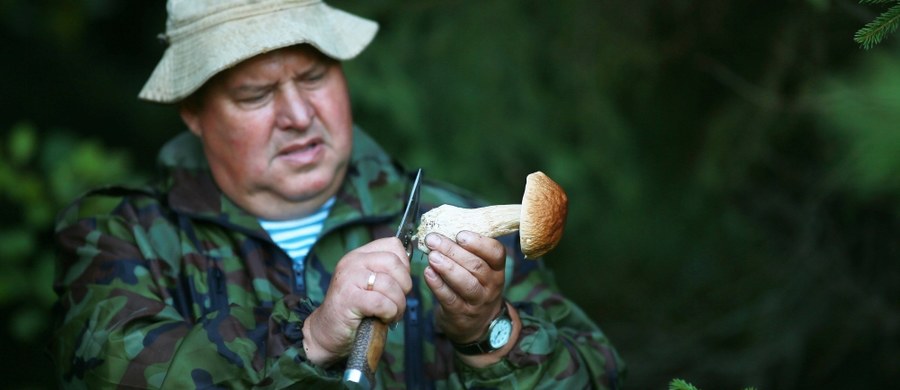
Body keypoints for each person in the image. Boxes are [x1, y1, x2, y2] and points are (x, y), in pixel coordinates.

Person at [50, 0, 625, 388]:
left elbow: (598, 375)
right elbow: (109, 372)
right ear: (194, 114)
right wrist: (311, 335)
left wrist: (490, 333)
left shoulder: (454, 218)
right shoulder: (126, 233)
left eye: (315, 76)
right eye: (255, 95)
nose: (299, 115)